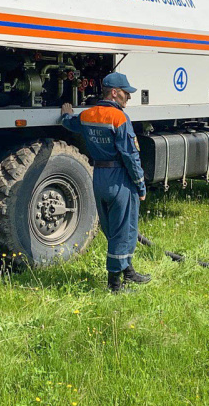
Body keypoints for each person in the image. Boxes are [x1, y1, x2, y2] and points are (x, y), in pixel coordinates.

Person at [60, 73, 152, 293]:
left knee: (114, 229)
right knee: (123, 230)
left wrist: (65, 114)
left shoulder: (88, 115)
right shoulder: (119, 118)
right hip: (119, 178)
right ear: (114, 92)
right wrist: (140, 185)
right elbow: (130, 155)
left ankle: (128, 271)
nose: (128, 97)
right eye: (125, 93)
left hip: (99, 176)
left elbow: (70, 123)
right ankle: (115, 285)